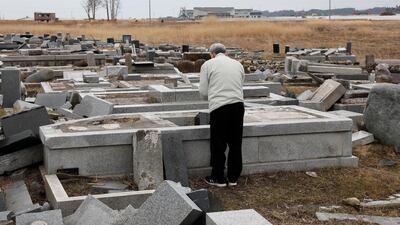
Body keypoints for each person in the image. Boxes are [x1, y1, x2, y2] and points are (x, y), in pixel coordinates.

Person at [199, 43, 245, 187]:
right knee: (235, 143)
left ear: (212, 53)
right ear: (225, 53)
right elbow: (240, 83)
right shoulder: (238, 64)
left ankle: (218, 177)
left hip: (219, 107)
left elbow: (204, 92)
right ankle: (233, 178)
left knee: (218, 143)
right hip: (238, 106)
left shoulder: (208, 64)